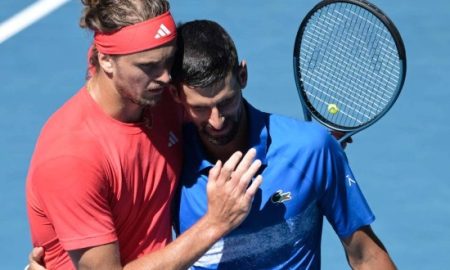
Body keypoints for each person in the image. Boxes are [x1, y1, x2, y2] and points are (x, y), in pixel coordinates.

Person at [25, 1, 262, 269]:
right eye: (148, 66)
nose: (165, 77)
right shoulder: (72, 157)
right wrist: (215, 223)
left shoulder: (158, 99)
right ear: (106, 61)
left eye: (168, 61)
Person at [166, 20, 397, 269]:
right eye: (200, 108)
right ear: (175, 94)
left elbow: (366, 256)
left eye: (226, 101)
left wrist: (320, 153)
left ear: (242, 76)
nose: (217, 120)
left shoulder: (311, 150)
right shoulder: (163, 161)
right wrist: (215, 222)